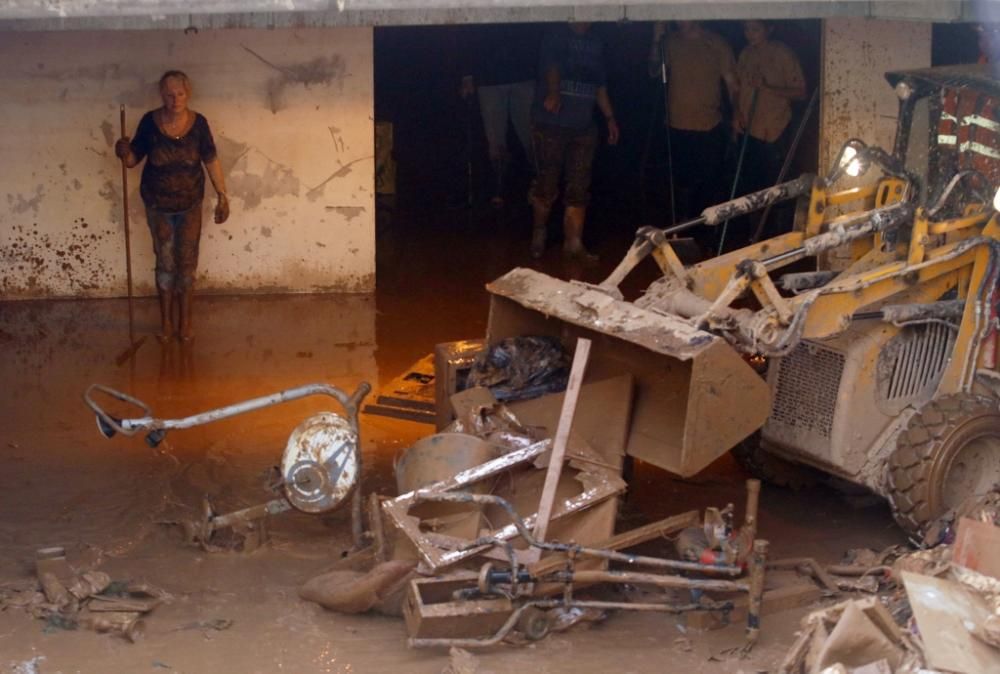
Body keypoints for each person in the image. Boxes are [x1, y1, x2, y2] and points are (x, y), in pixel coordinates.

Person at [115, 70, 229, 342]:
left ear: (187, 94)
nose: (174, 99)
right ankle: (166, 324)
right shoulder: (149, 123)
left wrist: (222, 194)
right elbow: (132, 160)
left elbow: (210, 160)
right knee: (165, 262)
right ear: (161, 95)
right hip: (158, 205)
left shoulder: (199, 124)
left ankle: (186, 324)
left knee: (187, 264)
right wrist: (122, 151)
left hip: (190, 204)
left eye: (179, 93)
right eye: (169, 94)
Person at [529, 22, 619, 260]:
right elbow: (551, 66)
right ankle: (539, 233)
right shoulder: (555, 33)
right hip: (551, 123)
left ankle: (574, 243)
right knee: (546, 184)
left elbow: (600, 84)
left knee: (579, 186)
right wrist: (554, 91)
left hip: (583, 124)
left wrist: (609, 117)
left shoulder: (596, 42)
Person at [649, 21, 738, 230]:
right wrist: (656, 39)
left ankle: (706, 235)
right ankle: (681, 229)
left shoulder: (716, 43)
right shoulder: (669, 42)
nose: (680, 20)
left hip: (709, 125)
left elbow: (732, 83)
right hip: (676, 125)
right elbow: (653, 71)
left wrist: (736, 115)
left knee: (708, 184)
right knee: (680, 185)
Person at [460, 24, 542, 208]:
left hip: (524, 73)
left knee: (532, 136)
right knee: (495, 139)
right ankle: (499, 188)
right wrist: (467, 74)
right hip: (489, 77)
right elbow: (468, 27)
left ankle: (541, 185)